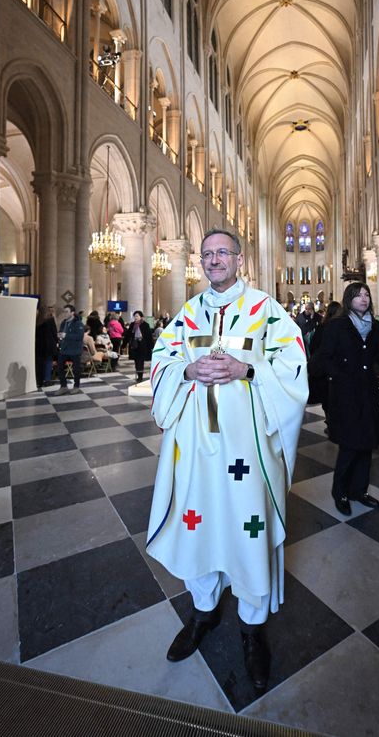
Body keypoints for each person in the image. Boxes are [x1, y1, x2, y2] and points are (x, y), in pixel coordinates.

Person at [146, 229, 308, 692]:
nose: (215, 260)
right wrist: (187, 369)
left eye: (223, 253)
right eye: (208, 254)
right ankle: (203, 612)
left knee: (248, 527)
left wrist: (247, 368)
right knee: (196, 522)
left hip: (247, 449)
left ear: (240, 259)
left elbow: (294, 366)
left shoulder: (266, 311)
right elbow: (162, 360)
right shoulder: (188, 313)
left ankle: (252, 629)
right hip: (196, 448)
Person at [309, 283, 379, 516]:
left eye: (366, 295)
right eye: (358, 296)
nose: (363, 299)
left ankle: (360, 490)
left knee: (366, 445)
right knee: (349, 446)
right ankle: (341, 493)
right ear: (349, 300)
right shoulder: (337, 326)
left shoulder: (374, 326)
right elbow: (321, 359)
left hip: (367, 393)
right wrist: (339, 374)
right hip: (346, 394)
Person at [54, 304, 85, 395]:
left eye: (66, 311)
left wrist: (66, 336)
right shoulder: (64, 322)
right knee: (59, 367)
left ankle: (76, 386)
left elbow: (79, 336)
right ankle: (63, 386)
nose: (65, 313)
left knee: (76, 369)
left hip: (75, 350)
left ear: (72, 313)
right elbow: (61, 332)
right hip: (64, 349)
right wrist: (59, 335)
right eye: (64, 311)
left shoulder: (78, 323)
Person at [123, 310, 154, 382]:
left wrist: (152, 347)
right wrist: (124, 344)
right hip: (134, 346)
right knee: (136, 361)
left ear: (141, 317)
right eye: (135, 316)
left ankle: (140, 376)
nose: (135, 317)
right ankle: (138, 374)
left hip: (142, 346)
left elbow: (149, 337)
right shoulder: (132, 325)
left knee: (140, 361)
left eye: (137, 316)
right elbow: (128, 335)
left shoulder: (145, 325)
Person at [35, 305, 58, 389]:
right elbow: (54, 332)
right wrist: (56, 341)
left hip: (39, 345)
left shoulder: (37, 321)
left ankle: (39, 380)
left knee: (40, 363)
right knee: (48, 362)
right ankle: (47, 380)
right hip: (49, 345)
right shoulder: (50, 320)